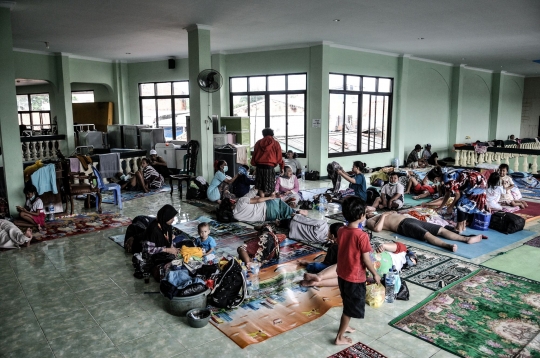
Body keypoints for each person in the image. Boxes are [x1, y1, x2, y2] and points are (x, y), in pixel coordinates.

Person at [333, 196, 380, 346]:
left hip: (342, 274)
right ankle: (339, 337)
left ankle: (345, 325)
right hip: (355, 277)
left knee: (347, 301)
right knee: (350, 308)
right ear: (361, 216)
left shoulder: (341, 230)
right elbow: (366, 260)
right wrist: (375, 273)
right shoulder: (362, 236)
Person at [300, 242, 417, 287]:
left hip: (379, 258)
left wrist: (383, 246)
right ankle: (315, 282)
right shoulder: (401, 262)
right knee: (349, 279)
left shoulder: (403, 250)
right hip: (383, 272)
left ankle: (320, 277)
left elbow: (388, 246)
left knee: (348, 264)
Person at [365, 211, 484, 252]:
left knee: (440, 229)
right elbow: (377, 229)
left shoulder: (380, 214)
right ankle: (447, 245)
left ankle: (466, 238)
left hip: (410, 220)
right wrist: (383, 216)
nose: (371, 211)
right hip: (403, 226)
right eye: (368, 211)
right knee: (426, 235)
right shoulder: (371, 219)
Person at [220, 188, 308, 223]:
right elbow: (258, 200)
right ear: (231, 202)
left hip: (268, 217)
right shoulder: (240, 202)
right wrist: (269, 197)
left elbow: (250, 197)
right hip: (268, 207)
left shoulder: (235, 216)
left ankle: (294, 214)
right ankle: (295, 212)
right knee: (279, 202)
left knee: (280, 213)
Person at [251, 128, 284, 197]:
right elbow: (279, 158)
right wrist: (282, 167)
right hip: (269, 167)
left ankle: (262, 201)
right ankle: (270, 202)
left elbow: (254, 155)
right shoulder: (276, 143)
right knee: (271, 187)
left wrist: (255, 166)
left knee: (260, 186)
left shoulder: (258, 143)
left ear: (263, 134)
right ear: (272, 134)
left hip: (259, 167)